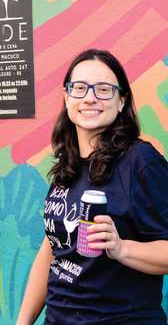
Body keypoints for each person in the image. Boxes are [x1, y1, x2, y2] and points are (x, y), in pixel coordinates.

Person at [16, 49, 168, 325]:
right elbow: (51, 249)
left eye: (103, 89)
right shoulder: (69, 164)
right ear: (67, 97)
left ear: (121, 101)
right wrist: (23, 322)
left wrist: (121, 248)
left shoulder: (141, 162)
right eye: (80, 88)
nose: (89, 98)